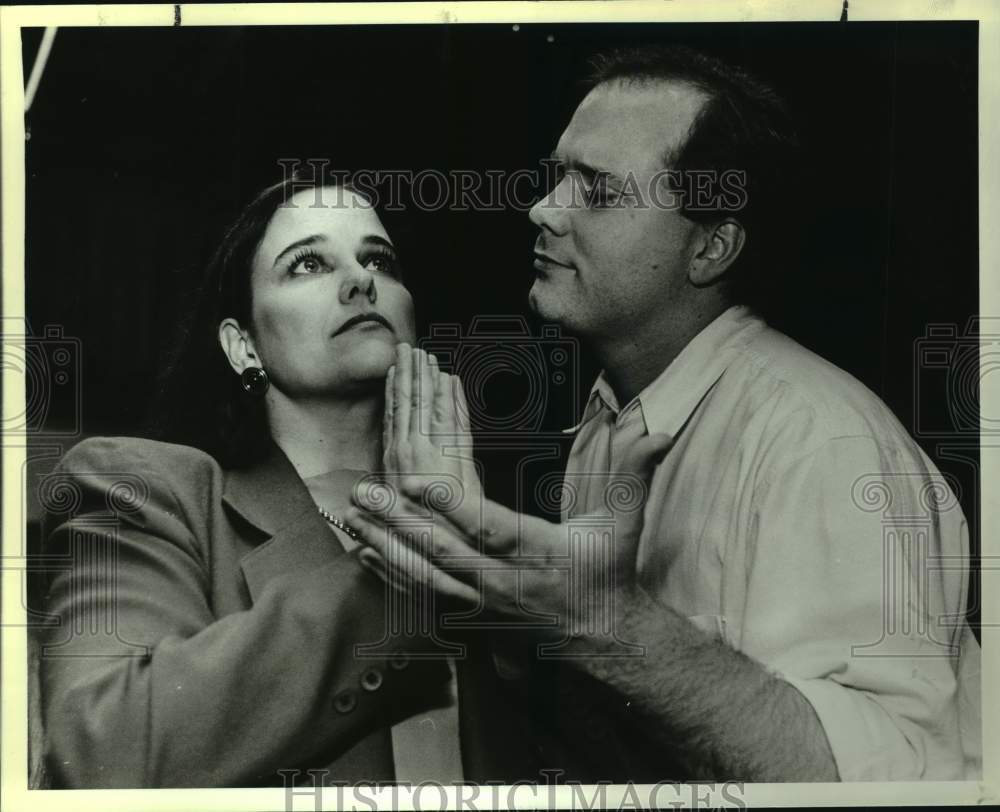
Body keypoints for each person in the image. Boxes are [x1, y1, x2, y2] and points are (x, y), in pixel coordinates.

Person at [347, 45, 982, 782]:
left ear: (710, 247)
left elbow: (891, 783)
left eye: (598, 190)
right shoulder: (613, 418)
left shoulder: (819, 442)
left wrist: (607, 625)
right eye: (558, 176)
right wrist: (471, 560)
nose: (542, 208)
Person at [34, 175, 532, 788]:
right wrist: (414, 567)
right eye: (308, 264)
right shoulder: (146, 489)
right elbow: (100, 754)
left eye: (379, 259)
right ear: (242, 347)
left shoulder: (494, 523)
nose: (360, 280)